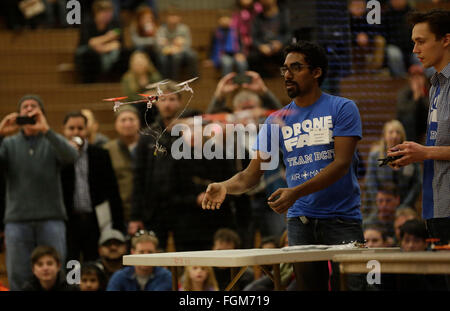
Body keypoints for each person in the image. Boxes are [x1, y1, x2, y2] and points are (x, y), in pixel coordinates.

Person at [202, 41, 365, 291]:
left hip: (342, 219)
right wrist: (225, 186)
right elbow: (250, 175)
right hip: (299, 222)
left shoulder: (342, 108)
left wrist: (296, 192)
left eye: (296, 68)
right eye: (285, 69)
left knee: (355, 288)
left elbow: (341, 164)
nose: (287, 75)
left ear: (316, 72)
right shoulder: (275, 120)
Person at [0, 94, 78, 291]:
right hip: (17, 221)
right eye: (24, 106)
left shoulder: (51, 140)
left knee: (56, 274)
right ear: (18, 114)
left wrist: (46, 130)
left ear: (42, 114)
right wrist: (0, 134)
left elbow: (71, 156)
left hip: (51, 218)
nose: (29, 109)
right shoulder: (8, 144)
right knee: (18, 274)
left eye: (34, 106)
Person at [388, 9, 450, 245]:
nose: (414, 50)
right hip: (435, 204)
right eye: (413, 42)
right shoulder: (434, 86)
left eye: (421, 42)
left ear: (446, 39)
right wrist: (412, 153)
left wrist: (423, 152)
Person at [60, 111, 125, 263]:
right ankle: (73, 286)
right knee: (72, 263)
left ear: (87, 130)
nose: (76, 132)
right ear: (64, 130)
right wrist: (67, 153)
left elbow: (113, 190)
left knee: (94, 262)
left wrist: (117, 223)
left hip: (95, 220)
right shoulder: (59, 156)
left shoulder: (100, 154)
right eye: (71, 128)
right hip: (69, 221)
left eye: (80, 128)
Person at [363, 120, 421, 220]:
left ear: (402, 136)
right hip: (380, 207)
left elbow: (417, 184)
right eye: (391, 132)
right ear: (385, 136)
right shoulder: (375, 156)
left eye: (398, 132)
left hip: (405, 208)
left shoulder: (411, 156)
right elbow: (370, 183)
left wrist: (403, 206)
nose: (394, 135)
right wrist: (381, 204)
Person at [104, 106, 141, 224]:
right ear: (116, 124)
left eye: (131, 119)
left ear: (139, 122)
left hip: (147, 211)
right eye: (123, 120)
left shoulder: (150, 146)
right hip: (119, 212)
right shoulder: (107, 150)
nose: (128, 124)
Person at [75, 0, 128, 83]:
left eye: (109, 13)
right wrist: (108, 37)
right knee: (88, 55)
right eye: (105, 13)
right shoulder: (88, 22)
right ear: (97, 13)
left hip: (108, 52)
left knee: (122, 54)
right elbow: (90, 42)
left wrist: (102, 46)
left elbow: (118, 44)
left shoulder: (115, 23)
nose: (108, 16)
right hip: (89, 52)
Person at [106, 230, 172, 291]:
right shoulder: (119, 277)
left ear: (157, 253)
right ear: (133, 253)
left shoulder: (166, 277)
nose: (146, 257)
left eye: (150, 252)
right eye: (141, 252)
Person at [247, 0, 290, 77]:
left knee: (289, 55)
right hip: (263, 49)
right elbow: (253, 38)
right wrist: (260, 46)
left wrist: (280, 43)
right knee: (252, 57)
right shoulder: (257, 18)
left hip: (281, 48)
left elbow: (289, 33)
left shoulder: (284, 14)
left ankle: (284, 78)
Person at [156, 9, 198, 80]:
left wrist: (179, 49)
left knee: (192, 54)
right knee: (164, 58)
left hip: (181, 51)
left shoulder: (184, 28)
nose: (173, 18)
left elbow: (188, 44)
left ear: (179, 17)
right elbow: (159, 45)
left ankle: (194, 77)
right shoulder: (161, 29)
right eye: (171, 16)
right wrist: (170, 48)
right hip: (166, 52)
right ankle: (167, 80)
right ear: (166, 17)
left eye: (175, 15)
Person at [204, 10, 248, 76]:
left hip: (236, 54)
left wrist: (241, 53)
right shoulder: (215, 32)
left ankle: (242, 82)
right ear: (219, 20)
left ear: (231, 20)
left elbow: (241, 44)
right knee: (227, 63)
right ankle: (227, 82)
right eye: (223, 19)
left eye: (227, 19)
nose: (225, 21)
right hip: (222, 54)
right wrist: (209, 59)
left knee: (242, 63)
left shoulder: (236, 31)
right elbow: (211, 46)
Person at [396, 64, 430, 143]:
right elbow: (403, 111)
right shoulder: (403, 92)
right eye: (414, 77)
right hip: (408, 128)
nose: (417, 80)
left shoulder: (430, 90)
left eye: (420, 76)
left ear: (424, 78)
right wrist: (415, 98)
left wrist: (421, 96)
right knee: (408, 118)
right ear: (409, 79)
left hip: (424, 126)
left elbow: (432, 111)